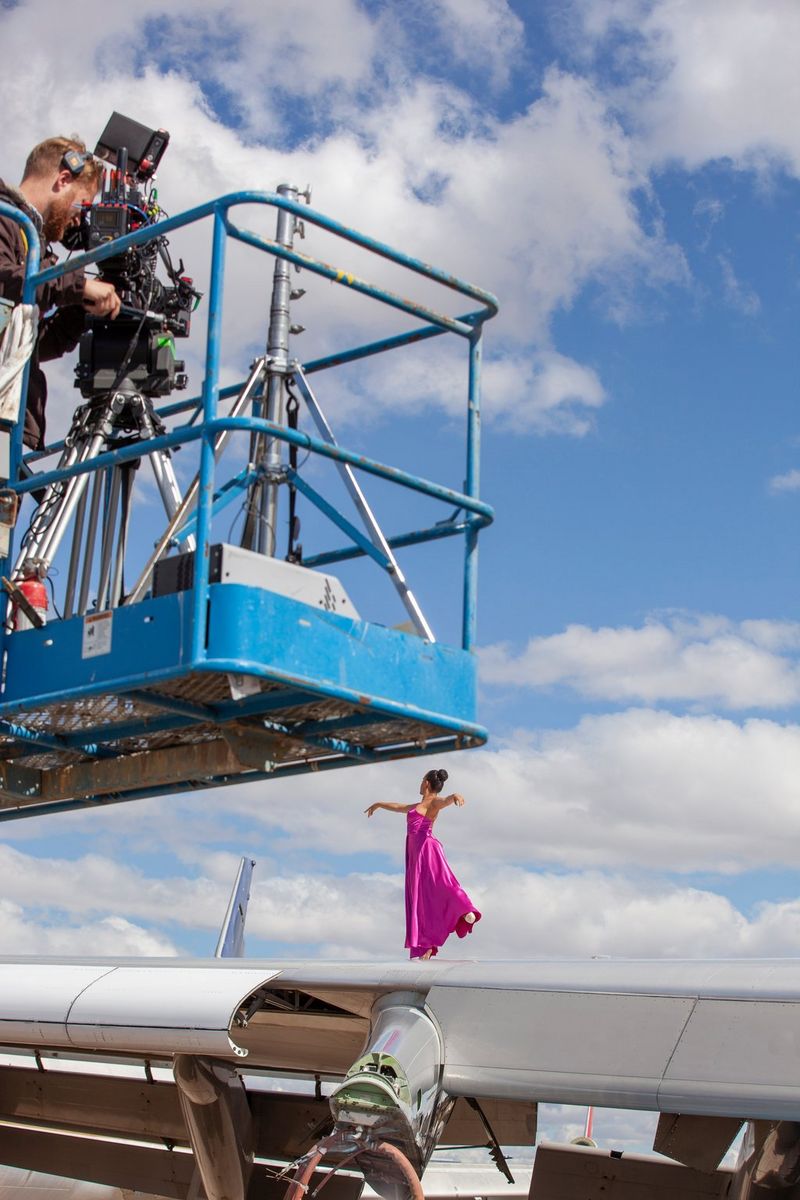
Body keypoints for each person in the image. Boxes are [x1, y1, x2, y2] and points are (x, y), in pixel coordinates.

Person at [0, 135, 121, 450]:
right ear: (63, 179)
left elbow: (27, 344)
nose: (79, 219)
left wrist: (80, 310)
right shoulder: (5, 218)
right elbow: (3, 278)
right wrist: (78, 286)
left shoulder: (33, 246)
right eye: (81, 205)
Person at [365, 767, 481, 960]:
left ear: (426, 783)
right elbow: (398, 806)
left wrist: (455, 796)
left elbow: (445, 801)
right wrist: (379, 804)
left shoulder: (434, 802)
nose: (420, 783)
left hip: (427, 848)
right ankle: (425, 946)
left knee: (441, 884)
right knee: (421, 897)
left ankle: (465, 910)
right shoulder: (416, 805)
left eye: (421, 780)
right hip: (415, 854)